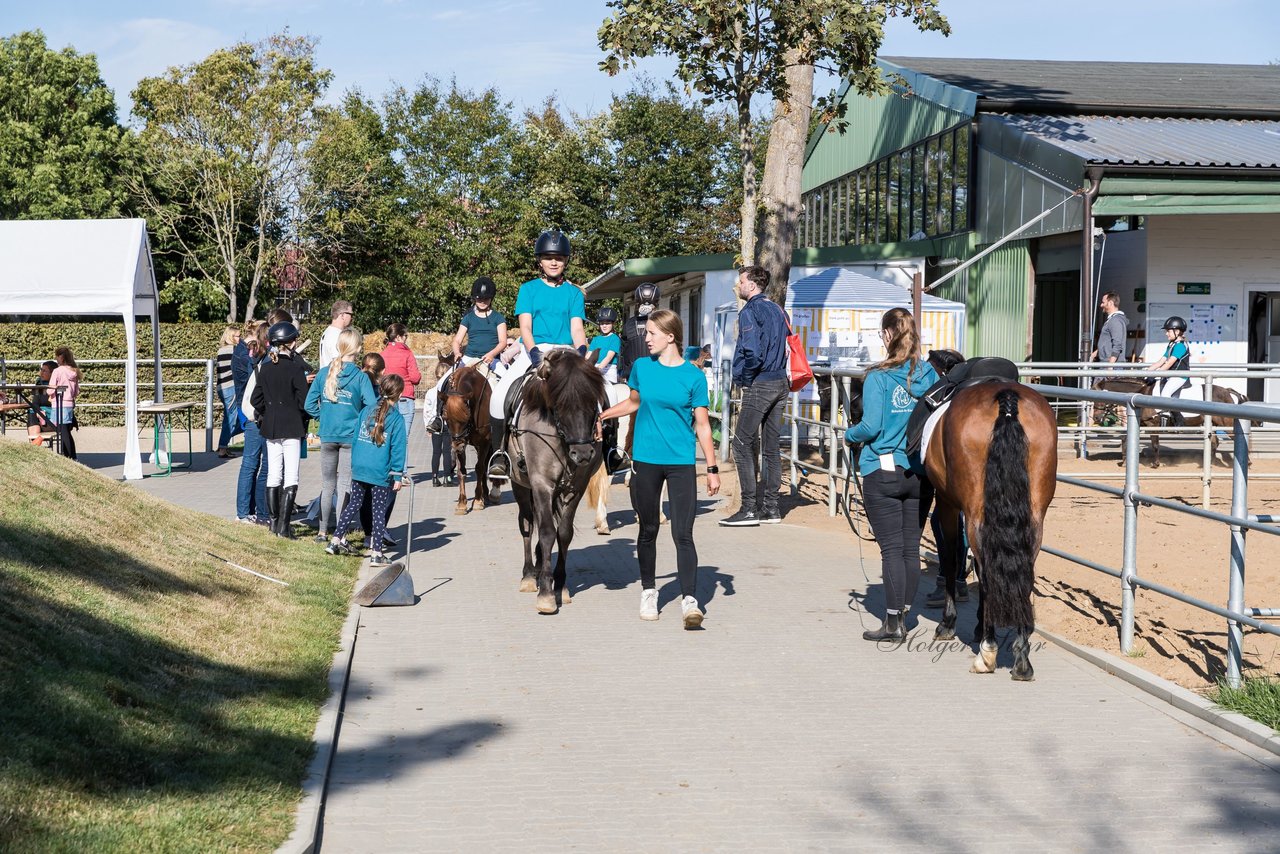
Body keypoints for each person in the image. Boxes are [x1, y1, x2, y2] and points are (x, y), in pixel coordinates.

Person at [600, 309, 720, 628]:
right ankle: (649, 590)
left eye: (651, 333)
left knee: (683, 532)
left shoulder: (693, 377)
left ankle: (690, 600)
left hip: (681, 461)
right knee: (648, 529)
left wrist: (711, 467)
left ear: (670, 336)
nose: (646, 339)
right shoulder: (641, 367)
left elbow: (703, 425)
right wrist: (603, 416)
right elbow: (634, 402)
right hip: (646, 459)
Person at [844, 307, 939, 644]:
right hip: (917, 472)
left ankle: (893, 622)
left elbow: (871, 426)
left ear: (887, 334)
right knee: (911, 549)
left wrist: (849, 435)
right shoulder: (929, 375)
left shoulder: (878, 378)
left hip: (881, 469)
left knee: (891, 550)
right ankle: (906, 612)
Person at [487, 229, 587, 479]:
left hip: (567, 352)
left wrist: (582, 351)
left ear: (566, 261)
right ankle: (500, 455)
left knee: (603, 392)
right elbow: (525, 328)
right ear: (540, 261)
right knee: (499, 397)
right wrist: (533, 354)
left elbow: (577, 328)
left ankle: (609, 451)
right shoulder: (528, 289)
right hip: (536, 350)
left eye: (559, 258)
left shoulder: (574, 293)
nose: (554, 262)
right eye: (548, 257)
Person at [721, 265, 789, 527]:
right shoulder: (777, 310)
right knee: (771, 447)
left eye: (740, 281)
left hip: (761, 383)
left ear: (751, 285)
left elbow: (753, 352)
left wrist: (746, 379)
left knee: (741, 443)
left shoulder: (750, 311)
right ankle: (771, 508)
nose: (737, 286)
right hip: (780, 381)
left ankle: (749, 508)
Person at [327, 373, 408, 566]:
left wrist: (355, 464)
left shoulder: (366, 411)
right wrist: (397, 474)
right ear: (398, 394)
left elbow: (355, 439)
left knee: (354, 504)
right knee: (378, 511)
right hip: (379, 471)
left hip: (360, 467)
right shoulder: (396, 418)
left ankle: (335, 540)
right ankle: (377, 553)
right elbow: (398, 448)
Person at [306, 328, 376, 544]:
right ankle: (341, 532)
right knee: (345, 485)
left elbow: (309, 405)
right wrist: (361, 424)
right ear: (357, 348)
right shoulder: (360, 377)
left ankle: (322, 531)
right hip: (349, 438)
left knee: (328, 484)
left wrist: (324, 417)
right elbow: (372, 407)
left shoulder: (325, 372)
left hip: (327, 435)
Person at [426, 276, 507, 434]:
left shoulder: (498, 318)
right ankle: (438, 418)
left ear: (491, 298)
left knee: (506, 383)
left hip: (490, 359)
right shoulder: (468, 318)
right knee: (442, 381)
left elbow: (503, 342)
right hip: (469, 358)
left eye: (485, 299)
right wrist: (457, 353)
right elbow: (457, 340)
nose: (482, 301)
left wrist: (491, 354)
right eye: (478, 299)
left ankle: (506, 420)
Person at [251, 322, 310, 537]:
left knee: (273, 474)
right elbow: (304, 402)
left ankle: (275, 524)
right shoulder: (296, 369)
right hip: (292, 424)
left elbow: (255, 399)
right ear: (292, 343)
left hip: (271, 426)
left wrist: (270, 410)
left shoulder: (265, 368)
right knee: (291, 476)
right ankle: (284, 528)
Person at [618, 282, 662, 461]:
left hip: (659, 378)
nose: (646, 306)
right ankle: (632, 456)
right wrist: (622, 373)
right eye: (643, 302)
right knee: (633, 422)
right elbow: (624, 351)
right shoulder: (628, 325)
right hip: (634, 381)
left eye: (650, 303)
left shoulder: (664, 322)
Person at [236, 321, 270, 524]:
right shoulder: (261, 360)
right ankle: (246, 512)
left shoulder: (257, 357)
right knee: (252, 464)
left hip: (252, 415)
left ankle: (250, 511)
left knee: (252, 464)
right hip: (255, 416)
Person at [1148, 315, 1192, 427]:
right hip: (1172, 375)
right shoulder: (1172, 344)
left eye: (1168, 331)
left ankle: (1172, 419)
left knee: (1166, 393)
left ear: (1177, 331)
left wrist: (1155, 374)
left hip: (1180, 376)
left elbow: (1168, 363)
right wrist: (1147, 372)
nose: (1166, 333)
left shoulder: (1180, 346)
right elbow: (1161, 361)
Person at [380, 322, 422, 434]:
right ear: (398, 337)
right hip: (405, 397)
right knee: (403, 440)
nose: (406, 339)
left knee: (387, 438)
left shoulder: (382, 354)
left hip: (387, 399)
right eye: (405, 336)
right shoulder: (407, 354)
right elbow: (415, 378)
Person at [48, 346, 81, 460]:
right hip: (69, 404)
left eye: (57, 357)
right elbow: (76, 391)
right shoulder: (74, 371)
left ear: (61, 357)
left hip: (58, 404)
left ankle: (68, 456)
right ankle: (72, 455)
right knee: (66, 431)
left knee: (63, 432)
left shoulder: (57, 371)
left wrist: (50, 391)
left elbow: (50, 389)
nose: (56, 359)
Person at [215, 325, 242, 458]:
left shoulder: (221, 350)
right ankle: (223, 446)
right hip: (230, 386)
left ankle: (223, 446)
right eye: (237, 336)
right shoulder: (234, 350)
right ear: (231, 336)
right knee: (231, 418)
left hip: (222, 387)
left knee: (230, 417)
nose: (240, 338)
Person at [1091, 292, 1128, 366]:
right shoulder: (1112, 320)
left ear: (1110, 303)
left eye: (1103, 302)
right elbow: (1107, 342)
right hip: (1106, 363)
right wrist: (1093, 355)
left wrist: (1110, 366)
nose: (1101, 305)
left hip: (1111, 365)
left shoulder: (1115, 321)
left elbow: (1117, 344)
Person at [590, 307, 622, 383]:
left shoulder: (614, 339)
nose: (604, 326)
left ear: (613, 323)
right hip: (595, 368)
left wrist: (598, 369)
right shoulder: (595, 339)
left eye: (607, 323)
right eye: (602, 323)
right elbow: (589, 355)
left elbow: (609, 357)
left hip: (609, 370)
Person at [320, 300, 355, 367]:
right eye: (350, 314)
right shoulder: (336, 335)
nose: (351, 318)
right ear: (342, 315)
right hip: (334, 376)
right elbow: (338, 363)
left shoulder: (328, 331)